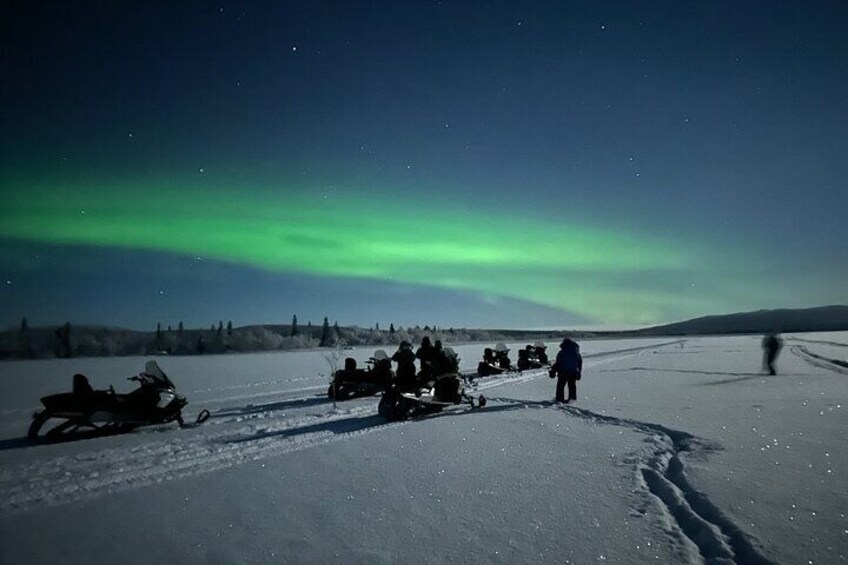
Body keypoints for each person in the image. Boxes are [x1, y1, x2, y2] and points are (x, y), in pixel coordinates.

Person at [552, 338, 582, 403]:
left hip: (563, 372)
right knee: (572, 386)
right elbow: (579, 363)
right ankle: (572, 399)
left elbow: (558, 363)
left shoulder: (562, 352)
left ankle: (559, 399)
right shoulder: (576, 353)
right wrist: (579, 372)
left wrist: (554, 370)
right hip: (573, 373)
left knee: (560, 386)